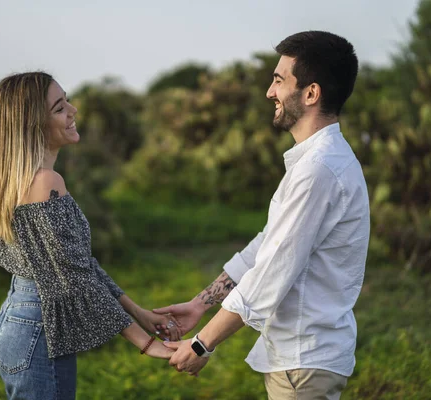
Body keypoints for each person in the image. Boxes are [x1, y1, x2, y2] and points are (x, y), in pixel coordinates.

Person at [155, 31, 370, 400]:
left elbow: (272, 271)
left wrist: (203, 343)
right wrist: (200, 305)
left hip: (305, 362)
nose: (270, 92)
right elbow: (267, 245)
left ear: (311, 93)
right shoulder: (316, 161)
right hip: (299, 360)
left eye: (278, 80)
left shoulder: (319, 169)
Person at [0, 72, 179, 399]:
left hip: (20, 319)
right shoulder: (45, 182)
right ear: (33, 125)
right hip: (39, 329)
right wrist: (147, 345)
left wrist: (138, 312)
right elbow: (74, 277)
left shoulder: (18, 179)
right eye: (59, 108)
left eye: (66, 100)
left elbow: (80, 264)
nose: (72, 110)